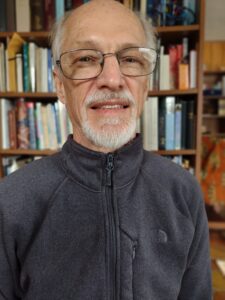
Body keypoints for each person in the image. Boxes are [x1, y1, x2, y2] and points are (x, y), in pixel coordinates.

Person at [0, 1, 212, 299]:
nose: (112, 80)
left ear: (146, 85)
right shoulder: (11, 201)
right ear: (60, 85)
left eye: (130, 59)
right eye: (86, 58)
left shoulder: (183, 191)